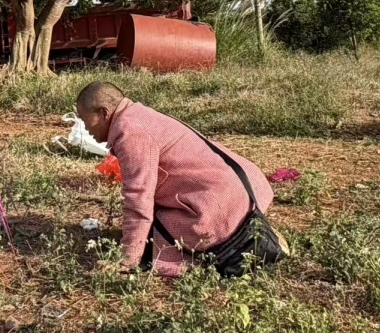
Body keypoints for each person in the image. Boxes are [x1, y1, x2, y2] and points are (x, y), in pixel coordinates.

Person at [75, 81, 288, 277]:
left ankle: (231, 240)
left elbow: (138, 198)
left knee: (152, 242)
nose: (86, 129)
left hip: (217, 204)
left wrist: (127, 260)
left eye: (86, 121)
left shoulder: (130, 133)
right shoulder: (139, 115)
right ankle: (247, 228)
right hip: (247, 189)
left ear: (104, 113)